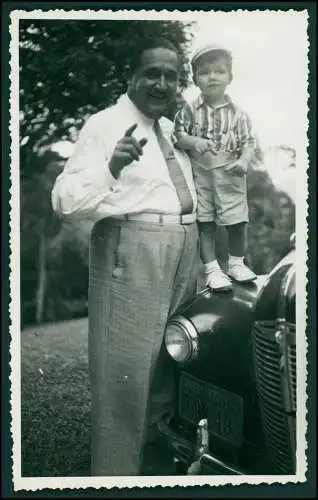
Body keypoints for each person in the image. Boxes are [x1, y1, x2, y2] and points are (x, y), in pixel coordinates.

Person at [51, 37, 199, 476]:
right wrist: (111, 166)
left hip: (185, 251)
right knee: (124, 381)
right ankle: (115, 479)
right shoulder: (105, 124)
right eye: (152, 73)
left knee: (171, 373)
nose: (162, 83)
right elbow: (65, 200)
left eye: (171, 76)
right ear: (131, 78)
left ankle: (155, 474)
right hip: (131, 247)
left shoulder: (172, 131)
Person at [173, 44, 257, 291]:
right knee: (205, 222)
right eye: (205, 72)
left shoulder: (239, 114)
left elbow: (249, 142)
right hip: (201, 176)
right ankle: (212, 269)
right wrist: (194, 141)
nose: (212, 77)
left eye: (219, 71)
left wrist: (243, 161)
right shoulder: (189, 111)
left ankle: (236, 263)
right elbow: (177, 136)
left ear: (229, 77)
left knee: (237, 221)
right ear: (196, 79)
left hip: (230, 173)